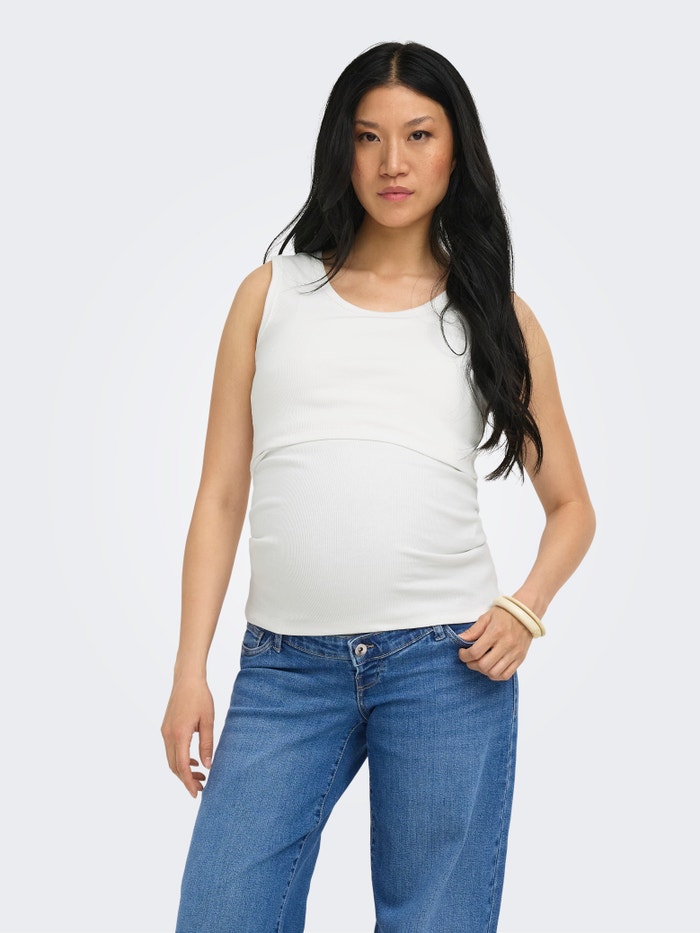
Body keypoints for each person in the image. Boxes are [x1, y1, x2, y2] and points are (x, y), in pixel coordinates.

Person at [161, 40, 596, 933]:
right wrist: (187, 670)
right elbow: (219, 495)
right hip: (284, 669)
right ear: (343, 150)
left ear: (454, 150)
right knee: (221, 911)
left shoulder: (494, 316)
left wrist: (526, 608)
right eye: (369, 136)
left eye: (418, 134)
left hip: (446, 665)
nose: (393, 161)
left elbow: (572, 507)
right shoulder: (271, 295)